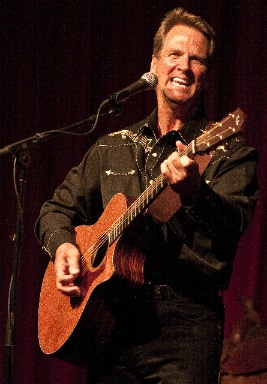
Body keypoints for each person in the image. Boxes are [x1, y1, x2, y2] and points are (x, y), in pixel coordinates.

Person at [35, 7, 258, 384]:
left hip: (184, 329)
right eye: (174, 54)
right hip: (109, 324)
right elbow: (55, 211)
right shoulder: (112, 148)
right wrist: (63, 247)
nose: (183, 66)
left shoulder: (227, 151)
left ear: (206, 74)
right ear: (154, 63)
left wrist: (193, 192)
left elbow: (231, 225)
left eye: (196, 59)